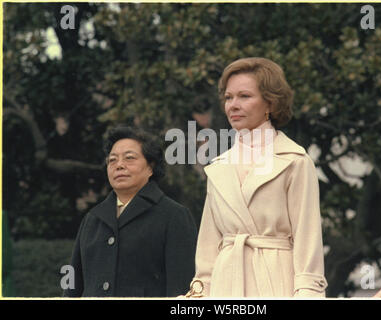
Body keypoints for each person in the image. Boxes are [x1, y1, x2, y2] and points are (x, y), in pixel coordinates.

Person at [186, 57, 327, 298]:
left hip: (277, 284)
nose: (233, 105)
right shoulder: (218, 167)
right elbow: (207, 252)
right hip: (224, 289)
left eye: (245, 96)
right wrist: (199, 296)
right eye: (228, 97)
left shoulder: (295, 161)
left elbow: (308, 242)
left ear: (270, 103)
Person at [64, 126, 197, 297]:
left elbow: (183, 287)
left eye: (129, 158)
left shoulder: (174, 216)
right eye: (112, 160)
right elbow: (72, 287)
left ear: (151, 167)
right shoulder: (92, 219)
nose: (119, 165)